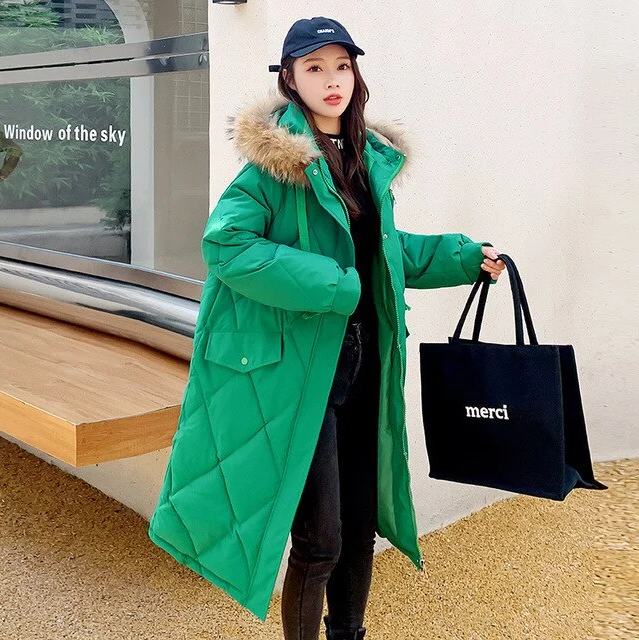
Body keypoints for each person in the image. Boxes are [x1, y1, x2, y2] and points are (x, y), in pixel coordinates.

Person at [148, 15, 505, 640]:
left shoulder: (367, 158)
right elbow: (225, 244)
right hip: (301, 367)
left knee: (360, 525)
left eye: (342, 66)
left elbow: (383, 251)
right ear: (290, 80)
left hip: (366, 360)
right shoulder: (273, 166)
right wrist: (335, 284)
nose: (332, 79)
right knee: (321, 539)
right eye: (314, 68)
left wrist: (464, 256)